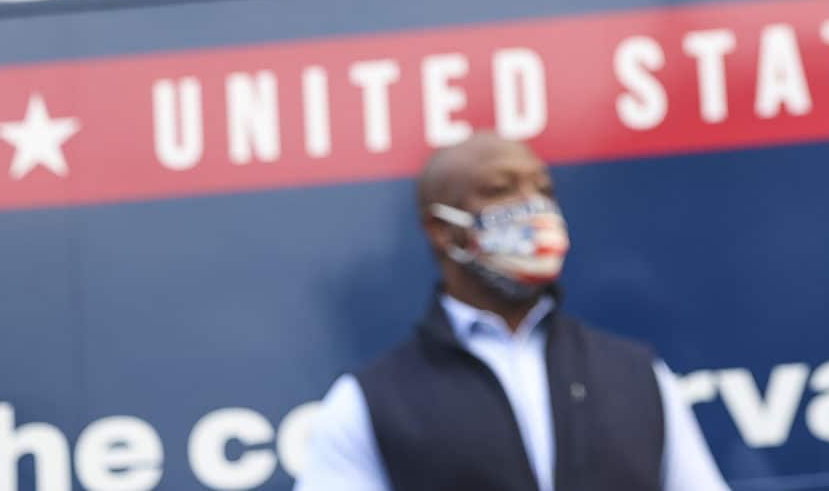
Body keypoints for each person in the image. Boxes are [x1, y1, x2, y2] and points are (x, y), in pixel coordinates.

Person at [296, 133, 730, 491]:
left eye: (543, 190)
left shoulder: (637, 376)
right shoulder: (369, 403)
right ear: (441, 229)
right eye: (500, 191)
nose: (533, 208)